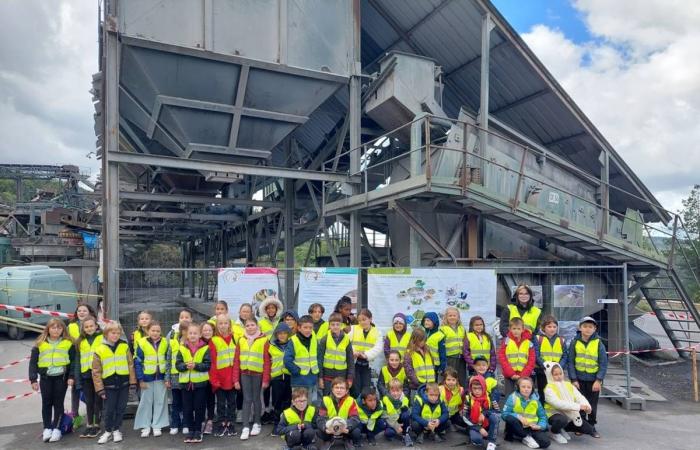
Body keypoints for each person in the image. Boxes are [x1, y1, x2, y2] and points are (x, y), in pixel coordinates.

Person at [29, 318, 76, 443]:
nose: (56, 330)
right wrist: (33, 379)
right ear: (48, 329)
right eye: (53, 327)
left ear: (63, 330)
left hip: (61, 378)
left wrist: (71, 377)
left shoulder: (68, 343)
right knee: (46, 403)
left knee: (58, 403)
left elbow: (73, 362)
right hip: (45, 378)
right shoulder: (40, 343)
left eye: (59, 328)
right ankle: (47, 428)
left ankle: (57, 429)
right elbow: (33, 363)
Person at [93, 321, 137, 445]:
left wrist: (132, 382)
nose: (115, 335)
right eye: (113, 333)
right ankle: (107, 431)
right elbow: (96, 371)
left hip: (123, 384)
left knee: (120, 408)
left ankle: (117, 429)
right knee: (109, 410)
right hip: (108, 386)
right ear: (106, 334)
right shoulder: (99, 349)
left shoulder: (124, 346)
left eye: (118, 333)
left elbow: (130, 365)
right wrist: (100, 389)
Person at [567, 316, 607, 437]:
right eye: (585, 326)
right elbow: (571, 362)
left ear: (595, 328)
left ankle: (592, 426)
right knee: (580, 405)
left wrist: (598, 380)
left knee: (592, 405)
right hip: (578, 380)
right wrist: (573, 379)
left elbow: (603, 363)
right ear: (580, 328)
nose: (588, 329)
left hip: (593, 381)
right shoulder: (575, 342)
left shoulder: (598, 343)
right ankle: (581, 426)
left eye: (590, 327)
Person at [233, 317, 271, 440]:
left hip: (258, 375)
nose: (250, 327)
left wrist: (266, 379)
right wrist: (236, 379)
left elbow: (266, 361)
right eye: (247, 325)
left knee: (256, 399)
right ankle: (245, 427)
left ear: (257, 326)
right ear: (245, 327)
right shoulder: (241, 340)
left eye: (252, 325)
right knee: (247, 399)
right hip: (245, 374)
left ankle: (257, 423)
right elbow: (236, 360)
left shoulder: (264, 340)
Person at [543, 361, 595, 443]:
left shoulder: (568, 385)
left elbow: (579, 397)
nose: (559, 376)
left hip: (568, 413)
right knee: (561, 420)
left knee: (589, 429)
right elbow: (558, 404)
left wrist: (587, 406)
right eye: (555, 374)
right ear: (550, 375)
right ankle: (554, 432)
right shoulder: (548, 388)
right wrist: (578, 407)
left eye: (560, 373)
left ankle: (561, 428)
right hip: (553, 413)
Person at [176, 322, 211, 443]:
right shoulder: (182, 348)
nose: (192, 335)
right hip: (186, 385)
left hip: (200, 385)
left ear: (200, 334)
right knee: (187, 408)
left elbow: (207, 365)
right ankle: (190, 430)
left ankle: (198, 430)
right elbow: (178, 365)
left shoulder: (205, 348)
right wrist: (185, 366)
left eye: (195, 333)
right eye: (190, 333)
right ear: (186, 334)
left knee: (199, 407)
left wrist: (195, 365)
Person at [134, 321, 169, 437]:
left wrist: (167, 377)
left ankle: (157, 425)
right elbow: (138, 361)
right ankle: (145, 425)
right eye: (153, 330)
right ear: (148, 331)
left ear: (161, 332)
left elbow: (168, 360)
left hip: (161, 377)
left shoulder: (165, 342)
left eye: (158, 331)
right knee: (146, 402)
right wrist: (140, 379)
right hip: (146, 378)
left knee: (160, 401)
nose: (155, 333)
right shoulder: (142, 342)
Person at [74, 316, 103, 438]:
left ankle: (97, 425)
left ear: (96, 326)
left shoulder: (102, 338)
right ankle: (89, 424)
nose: (89, 328)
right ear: (83, 329)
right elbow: (77, 361)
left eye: (91, 326)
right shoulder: (80, 341)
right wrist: (78, 380)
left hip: (98, 375)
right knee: (89, 401)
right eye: (86, 327)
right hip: (86, 375)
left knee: (97, 401)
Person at [209, 314, 237, 437]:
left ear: (229, 324)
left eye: (225, 323)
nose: (223, 326)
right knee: (220, 403)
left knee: (232, 403)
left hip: (232, 378)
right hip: (220, 379)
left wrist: (237, 378)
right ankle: (221, 424)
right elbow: (212, 363)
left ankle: (231, 423)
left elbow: (237, 360)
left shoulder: (235, 338)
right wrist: (214, 380)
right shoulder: (213, 341)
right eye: (220, 323)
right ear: (217, 325)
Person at [502, 377, 550, 449]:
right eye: (523, 387)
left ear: (532, 389)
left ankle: (524, 437)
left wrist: (540, 426)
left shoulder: (536, 400)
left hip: (531, 427)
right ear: (518, 388)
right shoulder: (513, 397)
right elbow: (504, 414)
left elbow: (543, 417)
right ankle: (525, 436)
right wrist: (518, 416)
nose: (526, 389)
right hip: (518, 425)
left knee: (546, 443)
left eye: (529, 387)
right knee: (510, 418)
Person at [165, 309, 192, 436]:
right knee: (175, 402)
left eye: (187, 317)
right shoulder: (172, 341)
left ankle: (186, 423)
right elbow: (168, 360)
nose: (186, 333)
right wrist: (167, 378)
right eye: (182, 317)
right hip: (175, 377)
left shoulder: (192, 343)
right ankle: (175, 424)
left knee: (187, 403)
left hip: (187, 377)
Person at [68, 303, 97, 417]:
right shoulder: (71, 326)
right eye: (79, 311)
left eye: (84, 311)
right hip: (75, 358)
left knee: (91, 390)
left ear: (90, 312)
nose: (81, 313)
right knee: (75, 387)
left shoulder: (95, 326)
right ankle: (74, 415)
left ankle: (95, 415)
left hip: (89, 362)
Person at [316, 377, 362, 450]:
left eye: (342, 388)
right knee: (319, 431)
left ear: (346, 391)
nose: (339, 390)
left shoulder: (351, 400)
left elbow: (355, 418)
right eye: (336, 387)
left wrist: (347, 427)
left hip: (344, 428)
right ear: (332, 389)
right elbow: (320, 418)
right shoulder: (325, 400)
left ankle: (347, 440)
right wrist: (325, 429)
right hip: (330, 429)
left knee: (356, 431)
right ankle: (328, 440)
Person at [285, 315, 320, 402]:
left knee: (309, 405)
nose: (308, 330)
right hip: (298, 380)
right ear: (299, 328)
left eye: (310, 328)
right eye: (305, 327)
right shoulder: (293, 340)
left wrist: (317, 369)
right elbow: (287, 360)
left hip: (312, 379)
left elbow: (318, 356)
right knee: (298, 404)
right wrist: (296, 371)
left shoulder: (314, 339)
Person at [318, 312, 354, 396]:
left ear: (341, 325)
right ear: (329, 325)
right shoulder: (325, 339)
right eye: (333, 324)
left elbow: (350, 360)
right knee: (327, 398)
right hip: (327, 376)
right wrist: (320, 378)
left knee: (341, 398)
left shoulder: (346, 339)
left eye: (338, 324)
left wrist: (350, 378)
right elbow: (320, 359)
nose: (335, 327)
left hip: (341, 375)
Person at [498, 318, 536, 397]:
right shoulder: (506, 341)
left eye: (518, 329)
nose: (516, 331)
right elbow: (502, 358)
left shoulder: (529, 343)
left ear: (522, 329)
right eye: (514, 328)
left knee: (523, 396)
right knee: (509, 397)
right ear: (510, 329)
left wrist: (523, 375)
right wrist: (511, 373)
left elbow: (531, 361)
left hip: (523, 375)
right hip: (509, 375)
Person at [349, 309, 382, 397]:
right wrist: (354, 352)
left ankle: (363, 408)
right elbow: (346, 342)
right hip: (354, 364)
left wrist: (366, 355)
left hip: (367, 365)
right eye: (359, 320)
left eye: (364, 319)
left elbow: (378, 347)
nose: (362, 322)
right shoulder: (353, 329)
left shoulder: (377, 331)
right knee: (355, 389)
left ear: (370, 319)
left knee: (366, 389)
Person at [535, 315, 568, 401]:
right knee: (543, 392)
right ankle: (543, 412)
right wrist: (547, 367)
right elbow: (536, 355)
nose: (552, 329)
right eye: (549, 326)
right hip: (542, 371)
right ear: (543, 327)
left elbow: (565, 355)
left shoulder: (561, 340)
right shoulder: (538, 339)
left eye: (554, 327)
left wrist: (559, 367)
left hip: (557, 373)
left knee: (556, 393)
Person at [464, 375, 500, 450]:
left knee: (495, 417)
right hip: (474, 425)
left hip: (487, 424)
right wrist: (479, 428)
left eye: (480, 388)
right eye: (474, 388)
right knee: (477, 440)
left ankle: (491, 442)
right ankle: (479, 434)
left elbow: (497, 411)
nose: (477, 391)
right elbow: (465, 417)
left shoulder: (489, 396)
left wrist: (484, 413)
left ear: (484, 387)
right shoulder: (468, 399)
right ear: (471, 388)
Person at [270, 323, 293, 435]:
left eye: (284, 333)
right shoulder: (271, 346)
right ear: (276, 335)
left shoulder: (292, 344)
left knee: (288, 401)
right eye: (280, 333)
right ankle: (276, 424)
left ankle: (286, 423)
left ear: (288, 334)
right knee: (277, 401)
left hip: (289, 376)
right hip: (276, 377)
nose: (282, 335)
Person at [381, 378, 413, 447]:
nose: (395, 393)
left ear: (401, 390)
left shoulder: (404, 399)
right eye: (393, 391)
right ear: (389, 391)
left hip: (400, 419)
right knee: (389, 433)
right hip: (391, 421)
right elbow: (385, 417)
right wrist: (396, 426)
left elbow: (408, 413)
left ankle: (405, 434)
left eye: (398, 391)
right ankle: (397, 432)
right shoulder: (386, 400)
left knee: (406, 414)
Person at [403, 327, 435, 393]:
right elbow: (409, 371)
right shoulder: (409, 353)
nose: (423, 342)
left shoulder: (427, 350)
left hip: (429, 385)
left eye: (424, 340)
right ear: (415, 339)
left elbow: (432, 364)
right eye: (421, 340)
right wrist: (418, 382)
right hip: (417, 387)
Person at [441, 307, 467, 385]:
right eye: (450, 315)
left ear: (458, 317)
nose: (452, 317)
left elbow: (465, 343)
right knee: (450, 379)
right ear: (446, 317)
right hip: (450, 359)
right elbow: (441, 346)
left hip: (461, 358)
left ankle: (461, 395)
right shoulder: (443, 329)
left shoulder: (462, 329)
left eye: (454, 315)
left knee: (461, 379)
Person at [199, 321, 216, 434]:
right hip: (201, 376)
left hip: (213, 376)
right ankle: (201, 421)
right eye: (205, 330)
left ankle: (210, 421)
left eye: (209, 330)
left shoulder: (215, 342)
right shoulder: (198, 343)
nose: (207, 332)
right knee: (201, 400)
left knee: (211, 399)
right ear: (201, 332)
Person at [439, 367, 466, 432]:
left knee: (465, 423)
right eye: (448, 380)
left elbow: (462, 402)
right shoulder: (440, 389)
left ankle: (452, 424)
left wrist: (461, 410)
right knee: (446, 425)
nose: (451, 382)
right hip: (442, 415)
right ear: (444, 380)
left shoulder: (461, 390)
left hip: (454, 414)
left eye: (453, 380)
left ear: (456, 380)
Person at [421, 312, 446, 379]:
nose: (426, 322)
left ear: (434, 322)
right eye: (425, 320)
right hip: (423, 363)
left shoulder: (440, 335)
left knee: (433, 383)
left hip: (434, 365)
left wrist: (442, 367)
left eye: (428, 320)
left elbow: (442, 353)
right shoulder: (422, 333)